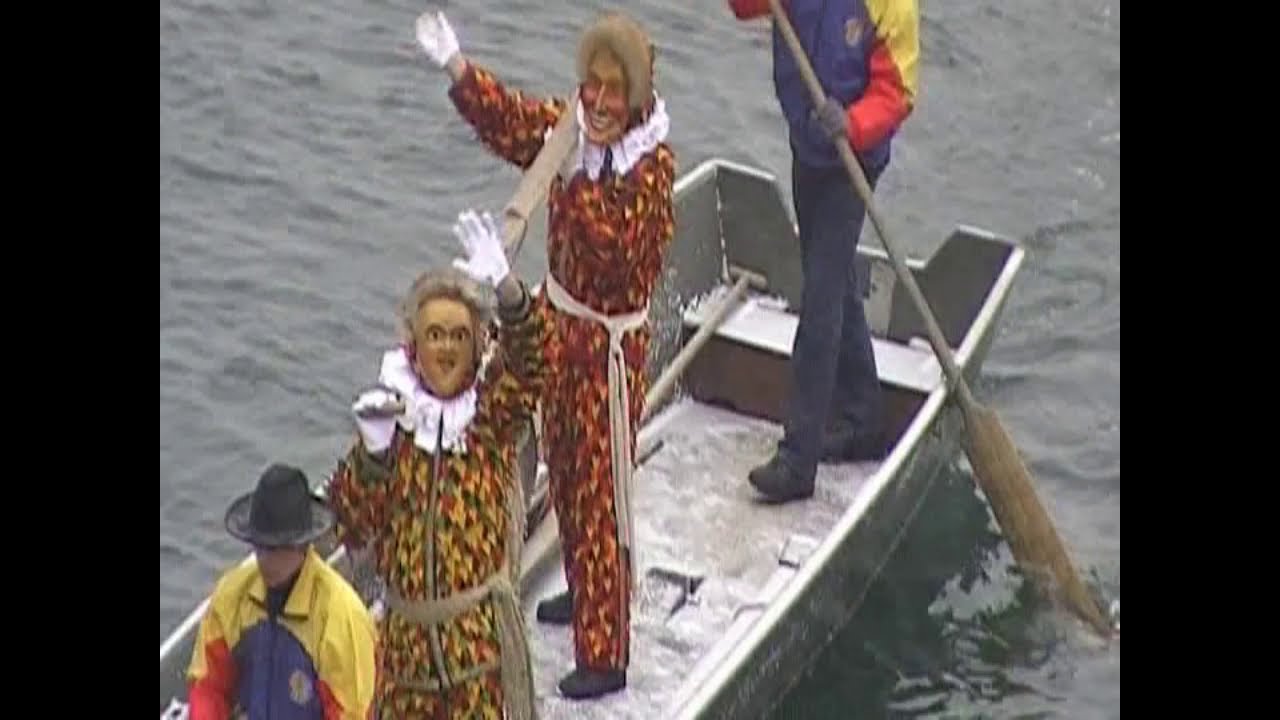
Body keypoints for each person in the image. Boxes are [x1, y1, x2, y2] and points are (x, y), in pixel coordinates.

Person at [413, 8, 676, 700]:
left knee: (600, 497)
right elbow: (513, 125)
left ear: (638, 96)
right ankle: (583, 590)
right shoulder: (573, 130)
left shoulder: (650, 170)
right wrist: (458, 69)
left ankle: (606, 646)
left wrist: (576, 169)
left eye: (613, 91)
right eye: (591, 86)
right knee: (561, 476)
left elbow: (616, 253)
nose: (599, 102)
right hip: (559, 325)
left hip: (606, 351)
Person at [326, 210, 545, 719]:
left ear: (476, 349)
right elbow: (352, 527)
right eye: (435, 336)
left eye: (458, 336)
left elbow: (534, 361)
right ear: (415, 347)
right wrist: (373, 456)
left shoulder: (490, 422)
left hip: (478, 657)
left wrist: (509, 294)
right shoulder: (394, 426)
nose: (446, 348)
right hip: (406, 663)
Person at [727, 0, 920, 502]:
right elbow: (744, 7)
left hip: (851, 158)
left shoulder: (891, 6)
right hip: (807, 143)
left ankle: (798, 460)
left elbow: (898, 93)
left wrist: (854, 124)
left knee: (820, 299)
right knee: (826, 279)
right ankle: (862, 420)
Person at [186, 463, 379, 720]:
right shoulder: (231, 597)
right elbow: (209, 686)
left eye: (276, 548)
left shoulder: (342, 618)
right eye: (260, 546)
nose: (265, 559)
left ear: (302, 544)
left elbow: (353, 712)